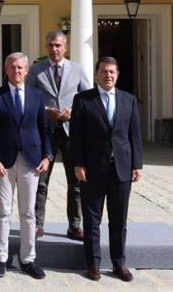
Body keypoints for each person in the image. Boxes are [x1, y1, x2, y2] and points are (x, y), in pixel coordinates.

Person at [70, 56, 142, 282]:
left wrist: (137, 164)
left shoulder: (128, 100)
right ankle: (93, 263)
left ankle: (119, 262)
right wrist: (78, 163)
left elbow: (134, 136)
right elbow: (76, 137)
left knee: (119, 219)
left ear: (117, 74)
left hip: (121, 168)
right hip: (92, 169)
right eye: (104, 72)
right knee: (92, 219)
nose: (108, 75)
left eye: (112, 72)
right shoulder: (83, 100)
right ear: (96, 74)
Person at [0, 52, 52, 280]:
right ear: (6, 70)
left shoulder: (36, 95)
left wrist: (47, 155)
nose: (16, 71)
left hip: (31, 161)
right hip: (3, 162)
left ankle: (28, 259)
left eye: (20, 68)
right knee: (3, 212)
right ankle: (1, 258)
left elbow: (44, 129)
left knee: (28, 213)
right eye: (12, 68)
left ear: (27, 70)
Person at [26, 31, 90, 241]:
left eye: (58, 46)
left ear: (66, 47)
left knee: (76, 181)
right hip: (45, 132)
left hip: (72, 132)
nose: (54, 49)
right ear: (46, 47)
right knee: (41, 180)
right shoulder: (36, 70)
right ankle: (37, 224)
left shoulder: (77, 69)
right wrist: (44, 109)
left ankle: (74, 225)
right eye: (50, 45)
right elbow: (26, 99)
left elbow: (87, 98)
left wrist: (73, 109)